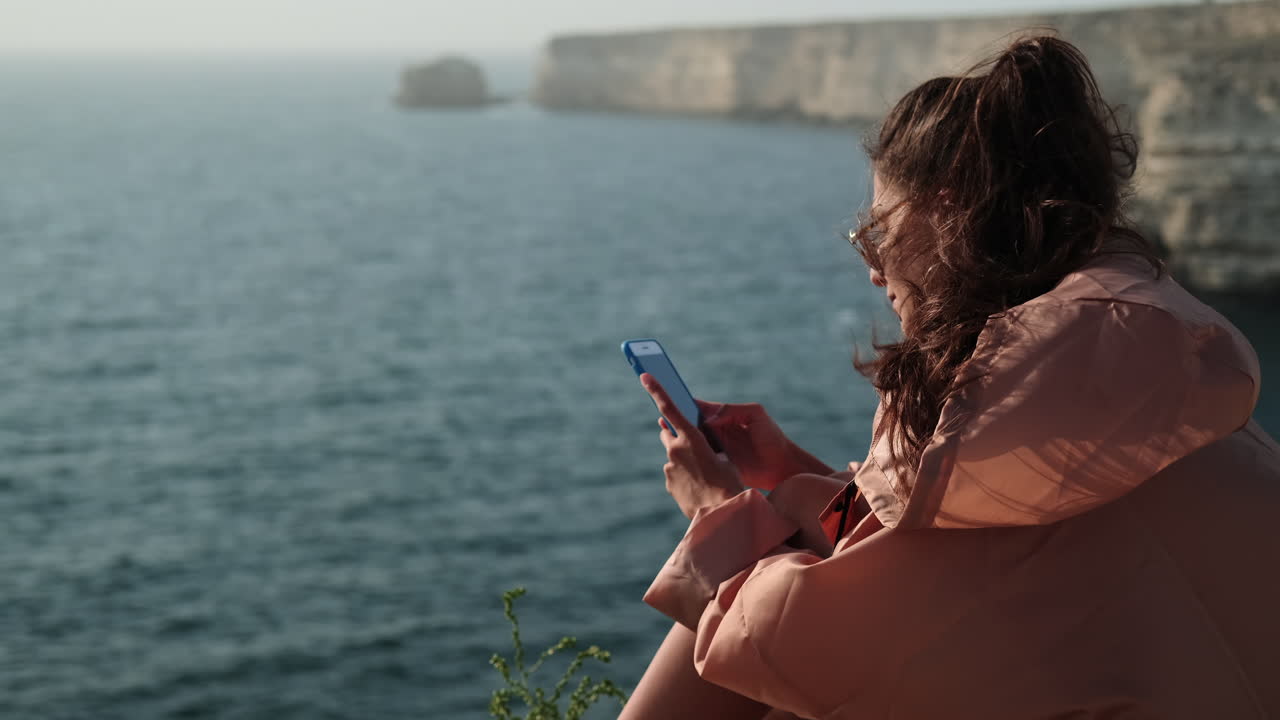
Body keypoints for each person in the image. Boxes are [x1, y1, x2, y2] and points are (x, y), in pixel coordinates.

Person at [619, 35, 1280, 720]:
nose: (874, 270)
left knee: (756, 590)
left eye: (877, 232)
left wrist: (713, 510)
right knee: (787, 512)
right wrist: (786, 471)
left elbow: (807, 646)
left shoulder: (1005, 409)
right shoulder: (1150, 359)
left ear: (945, 213)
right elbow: (937, 541)